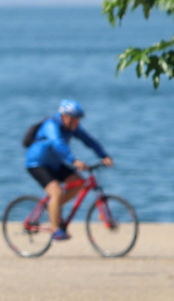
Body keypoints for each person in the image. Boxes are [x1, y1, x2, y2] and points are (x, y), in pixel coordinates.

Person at [25, 99, 113, 240]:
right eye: (75, 119)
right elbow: (57, 143)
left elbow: (89, 140)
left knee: (79, 182)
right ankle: (55, 230)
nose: (78, 123)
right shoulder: (51, 125)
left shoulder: (72, 127)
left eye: (78, 120)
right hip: (37, 163)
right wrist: (74, 160)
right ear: (65, 117)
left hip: (54, 163)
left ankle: (54, 207)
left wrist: (104, 156)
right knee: (56, 191)